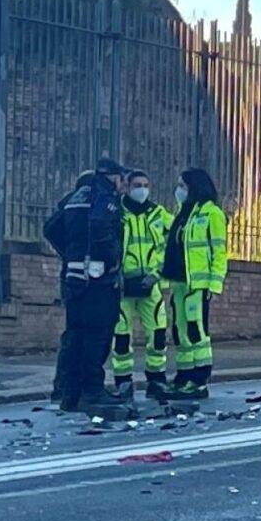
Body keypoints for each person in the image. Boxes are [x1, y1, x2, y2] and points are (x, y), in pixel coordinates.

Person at [44, 157, 128, 414]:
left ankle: (70, 394)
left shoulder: (78, 196)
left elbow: (52, 228)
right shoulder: (105, 197)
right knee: (97, 336)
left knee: (76, 335)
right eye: (122, 180)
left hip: (74, 278)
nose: (124, 186)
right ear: (114, 178)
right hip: (98, 280)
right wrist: (110, 257)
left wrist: (71, 253)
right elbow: (101, 224)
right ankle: (92, 391)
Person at [160, 165, 228, 401]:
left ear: (194, 187)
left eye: (182, 186)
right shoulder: (183, 213)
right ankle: (184, 376)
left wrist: (214, 285)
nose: (178, 190)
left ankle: (200, 380)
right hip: (180, 283)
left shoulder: (212, 214)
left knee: (196, 330)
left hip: (198, 284)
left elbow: (219, 252)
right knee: (179, 331)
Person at [112, 167, 173, 401]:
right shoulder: (117, 213)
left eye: (145, 186)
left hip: (151, 284)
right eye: (137, 185)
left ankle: (156, 380)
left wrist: (158, 273)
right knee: (121, 337)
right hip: (124, 285)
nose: (142, 190)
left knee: (158, 334)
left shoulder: (158, 214)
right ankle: (123, 382)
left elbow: (174, 241)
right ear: (126, 187)